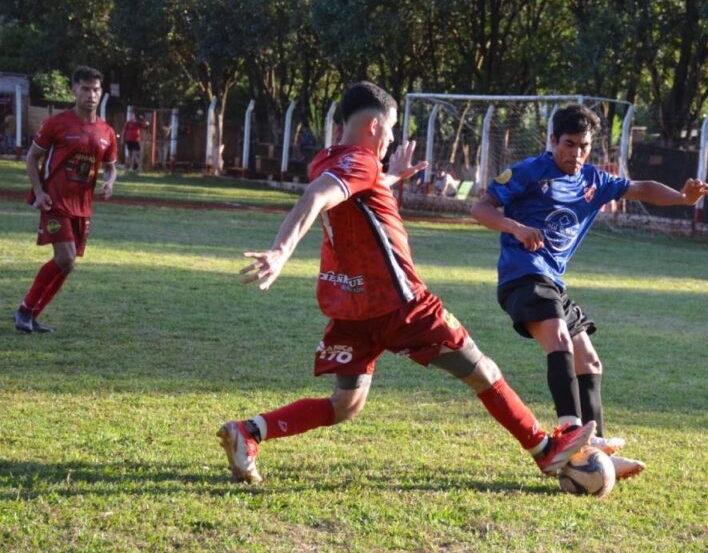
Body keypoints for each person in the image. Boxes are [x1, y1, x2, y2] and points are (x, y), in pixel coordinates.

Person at [217, 82, 595, 485]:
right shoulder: (359, 163)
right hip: (402, 303)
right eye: (393, 129)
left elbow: (352, 190)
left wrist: (389, 178)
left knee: (346, 404)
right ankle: (545, 450)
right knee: (482, 371)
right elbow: (317, 195)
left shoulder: (329, 159)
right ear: (376, 127)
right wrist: (281, 250)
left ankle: (249, 431)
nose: (394, 138)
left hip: (351, 306)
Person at [470, 104, 708, 481]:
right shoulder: (528, 172)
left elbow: (642, 189)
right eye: (569, 144)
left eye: (584, 146)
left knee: (590, 361)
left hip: (552, 283)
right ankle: (571, 431)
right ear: (553, 140)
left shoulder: (594, 181)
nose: (576, 153)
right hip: (522, 277)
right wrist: (515, 227)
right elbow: (480, 208)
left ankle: (594, 445)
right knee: (561, 341)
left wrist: (682, 199)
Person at [13, 66, 118, 333]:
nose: (91, 95)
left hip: (82, 208)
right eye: (85, 88)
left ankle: (31, 315)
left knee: (67, 265)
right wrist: (38, 192)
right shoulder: (56, 124)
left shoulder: (107, 132)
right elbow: (31, 157)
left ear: (101, 92)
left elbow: (110, 166)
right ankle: (24, 311)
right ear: (74, 91)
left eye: (95, 89)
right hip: (54, 202)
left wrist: (110, 180)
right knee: (66, 257)